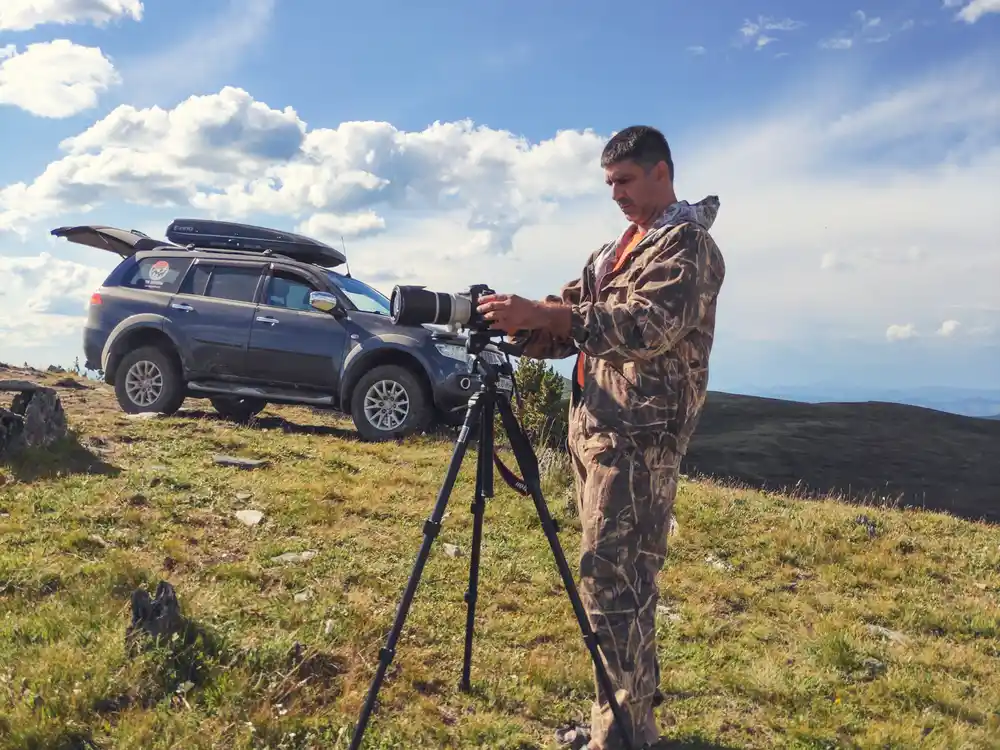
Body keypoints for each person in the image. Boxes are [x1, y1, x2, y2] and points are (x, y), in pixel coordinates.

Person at [476, 125, 726, 750]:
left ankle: (617, 737)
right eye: (609, 183)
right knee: (617, 584)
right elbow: (570, 324)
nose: (615, 194)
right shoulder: (615, 250)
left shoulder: (686, 247)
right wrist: (518, 323)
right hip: (598, 433)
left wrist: (550, 316)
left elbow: (646, 328)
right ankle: (627, 724)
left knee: (613, 584)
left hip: (640, 443)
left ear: (662, 173)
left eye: (625, 181)